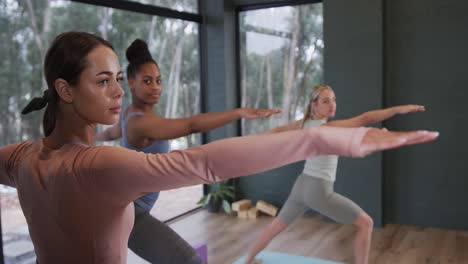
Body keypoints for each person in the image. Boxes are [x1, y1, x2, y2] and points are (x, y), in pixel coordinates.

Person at [0, 32, 438, 264]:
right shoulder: (95, 165)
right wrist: (322, 137)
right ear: (65, 90)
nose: (119, 90)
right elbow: (202, 162)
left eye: (119, 78)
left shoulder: (21, 157)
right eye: (103, 81)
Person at [95, 38, 281, 263]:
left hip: (128, 208)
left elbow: (108, 134)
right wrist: (239, 113)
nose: (156, 87)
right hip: (128, 211)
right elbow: (192, 124)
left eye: (158, 80)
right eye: (147, 81)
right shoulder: (140, 122)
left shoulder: (128, 116)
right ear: (131, 82)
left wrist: (89, 139)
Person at [243, 85, 428, 264]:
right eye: (325, 101)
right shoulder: (329, 127)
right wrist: (399, 109)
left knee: (275, 227)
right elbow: (365, 118)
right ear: (314, 105)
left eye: (333, 100)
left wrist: (245, 142)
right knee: (366, 223)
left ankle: (248, 260)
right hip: (318, 190)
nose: (332, 104)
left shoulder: (303, 124)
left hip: (301, 185)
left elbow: (275, 131)